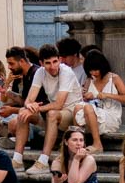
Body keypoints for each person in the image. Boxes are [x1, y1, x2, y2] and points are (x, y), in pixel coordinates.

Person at [15, 43, 82, 172]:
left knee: (51, 113)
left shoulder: (66, 72)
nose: (52, 67)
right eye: (48, 63)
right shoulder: (40, 72)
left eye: (55, 62)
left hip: (71, 113)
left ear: (60, 60)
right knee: (23, 113)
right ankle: (17, 160)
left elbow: (59, 104)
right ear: (41, 63)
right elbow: (28, 100)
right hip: (53, 114)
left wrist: (36, 108)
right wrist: (29, 106)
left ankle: (43, 161)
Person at [81, 48, 125, 152]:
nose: (94, 73)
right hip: (93, 114)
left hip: (110, 116)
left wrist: (106, 95)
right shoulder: (89, 80)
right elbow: (85, 101)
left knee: (87, 108)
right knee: (78, 108)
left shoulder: (114, 78)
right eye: (91, 70)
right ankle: (81, 144)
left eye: (96, 70)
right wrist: (85, 96)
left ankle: (97, 144)